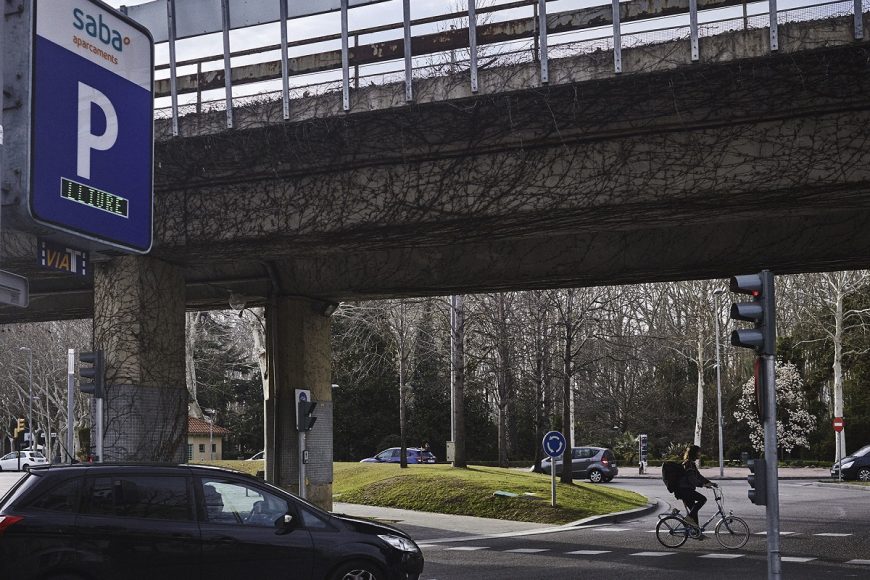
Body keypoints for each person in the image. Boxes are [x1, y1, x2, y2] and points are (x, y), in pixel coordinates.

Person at [676, 444, 717, 532]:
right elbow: (692, 480)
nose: (700, 454)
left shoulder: (691, 463)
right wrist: (703, 485)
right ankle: (688, 518)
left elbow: (698, 476)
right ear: (694, 453)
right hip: (684, 490)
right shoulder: (688, 464)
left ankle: (696, 531)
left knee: (694, 510)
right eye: (698, 452)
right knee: (702, 499)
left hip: (686, 490)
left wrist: (709, 483)